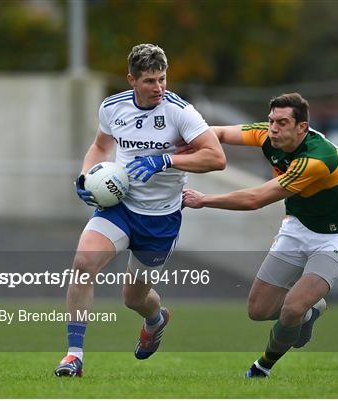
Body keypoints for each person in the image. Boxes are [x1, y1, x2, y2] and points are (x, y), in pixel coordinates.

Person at [54, 44, 226, 377]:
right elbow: (101, 146)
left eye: (162, 79)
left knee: (134, 298)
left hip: (160, 219)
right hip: (119, 207)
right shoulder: (112, 107)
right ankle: (74, 356)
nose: (159, 87)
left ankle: (156, 318)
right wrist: (86, 176)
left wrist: (167, 159)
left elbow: (216, 158)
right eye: (149, 81)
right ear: (131, 80)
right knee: (82, 264)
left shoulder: (180, 112)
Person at [183, 93, 338, 378]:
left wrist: (205, 199)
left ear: (302, 128)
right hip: (298, 227)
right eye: (271, 121)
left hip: (337, 237)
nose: (273, 129)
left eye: (282, 123)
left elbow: (256, 198)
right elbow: (216, 132)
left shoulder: (317, 159)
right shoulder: (267, 135)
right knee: (258, 310)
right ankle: (310, 310)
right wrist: (178, 142)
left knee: (291, 307)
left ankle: (263, 365)